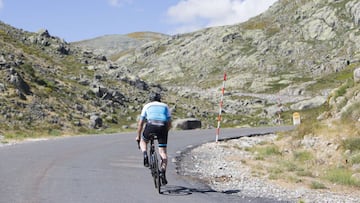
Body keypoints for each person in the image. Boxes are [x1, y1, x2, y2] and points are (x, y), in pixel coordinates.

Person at [136, 92, 172, 185]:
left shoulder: (147, 106)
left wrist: (138, 136)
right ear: (160, 99)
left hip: (151, 125)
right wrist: (165, 131)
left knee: (144, 141)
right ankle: (163, 171)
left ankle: (145, 154)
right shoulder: (165, 106)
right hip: (163, 126)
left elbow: (141, 123)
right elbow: (169, 123)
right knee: (163, 152)